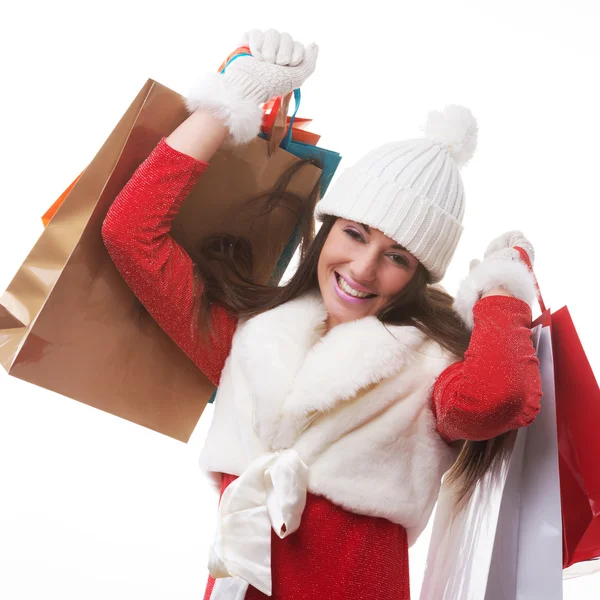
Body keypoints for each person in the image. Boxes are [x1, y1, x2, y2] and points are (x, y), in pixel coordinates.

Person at [101, 29, 543, 600]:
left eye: (397, 258)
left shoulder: (428, 376)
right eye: (353, 234)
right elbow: (130, 233)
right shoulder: (250, 339)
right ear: (327, 228)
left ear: (417, 275)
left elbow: (498, 398)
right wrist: (235, 97)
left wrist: (503, 293)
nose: (361, 269)